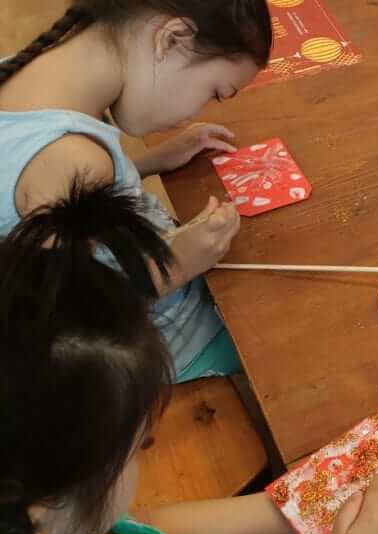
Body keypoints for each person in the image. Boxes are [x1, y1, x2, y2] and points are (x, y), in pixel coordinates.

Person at [0, 186, 378, 534]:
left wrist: (289, 505)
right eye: (140, 447)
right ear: (37, 521)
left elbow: (148, 531)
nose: (139, 462)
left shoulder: (71, 533)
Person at [0, 0, 273, 382]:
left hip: (139, 284)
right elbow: (72, 323)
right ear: (172, 37)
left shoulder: (31, 73)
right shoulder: (72, 159)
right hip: (159, 348)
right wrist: (178, 264)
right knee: (294, 339)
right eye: (214, 91)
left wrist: (148, 163)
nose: (196, 111)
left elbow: (40, 194)